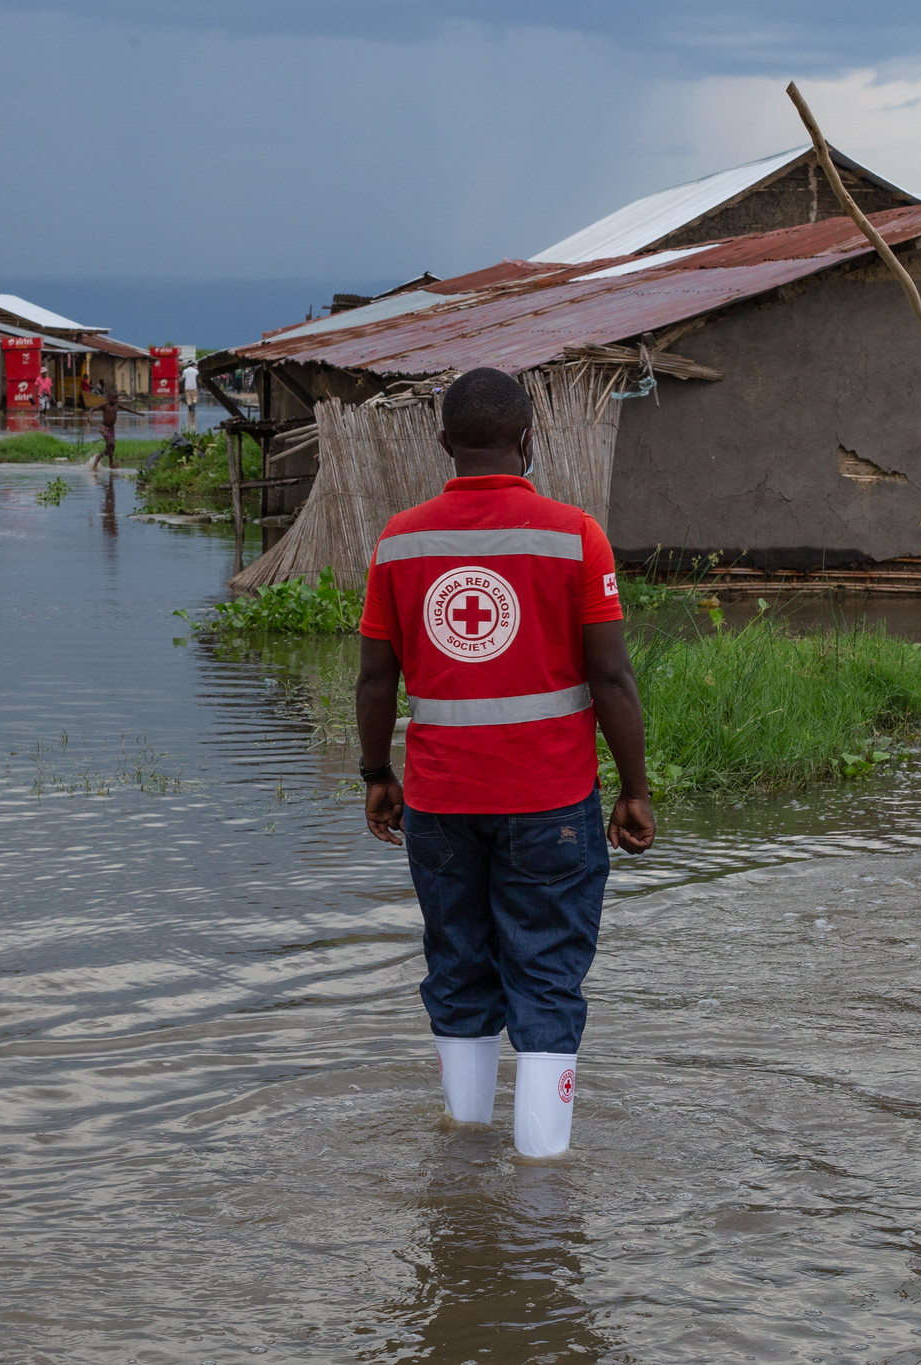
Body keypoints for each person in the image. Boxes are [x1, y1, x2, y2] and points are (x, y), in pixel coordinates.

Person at [355, 366, 655, 1159]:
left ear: (445, 442)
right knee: (546, 979)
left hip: (441, 803)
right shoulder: (572, 535)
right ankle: (543, 1190)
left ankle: (462, 1161)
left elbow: (374, 676)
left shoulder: (400, 538)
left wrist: (375, 774)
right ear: (529, 439)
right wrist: (634, 787)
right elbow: (612, 677)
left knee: (457, 969)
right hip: (551, 804)